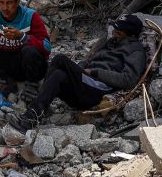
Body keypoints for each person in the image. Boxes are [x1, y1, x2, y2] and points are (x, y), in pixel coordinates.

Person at [11, 13, 147, 130]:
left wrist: (94, 72)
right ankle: (33, 114)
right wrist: (79, 69)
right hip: (84, 86)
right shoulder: (111, 42)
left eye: (119, 31)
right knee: (58, 75)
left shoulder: (135, 51)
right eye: (115, 29)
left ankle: (35, 110)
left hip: (97, 90)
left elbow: (129, 80)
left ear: (131, 35)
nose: (114, 33)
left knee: (59, 59)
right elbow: (87, 61)